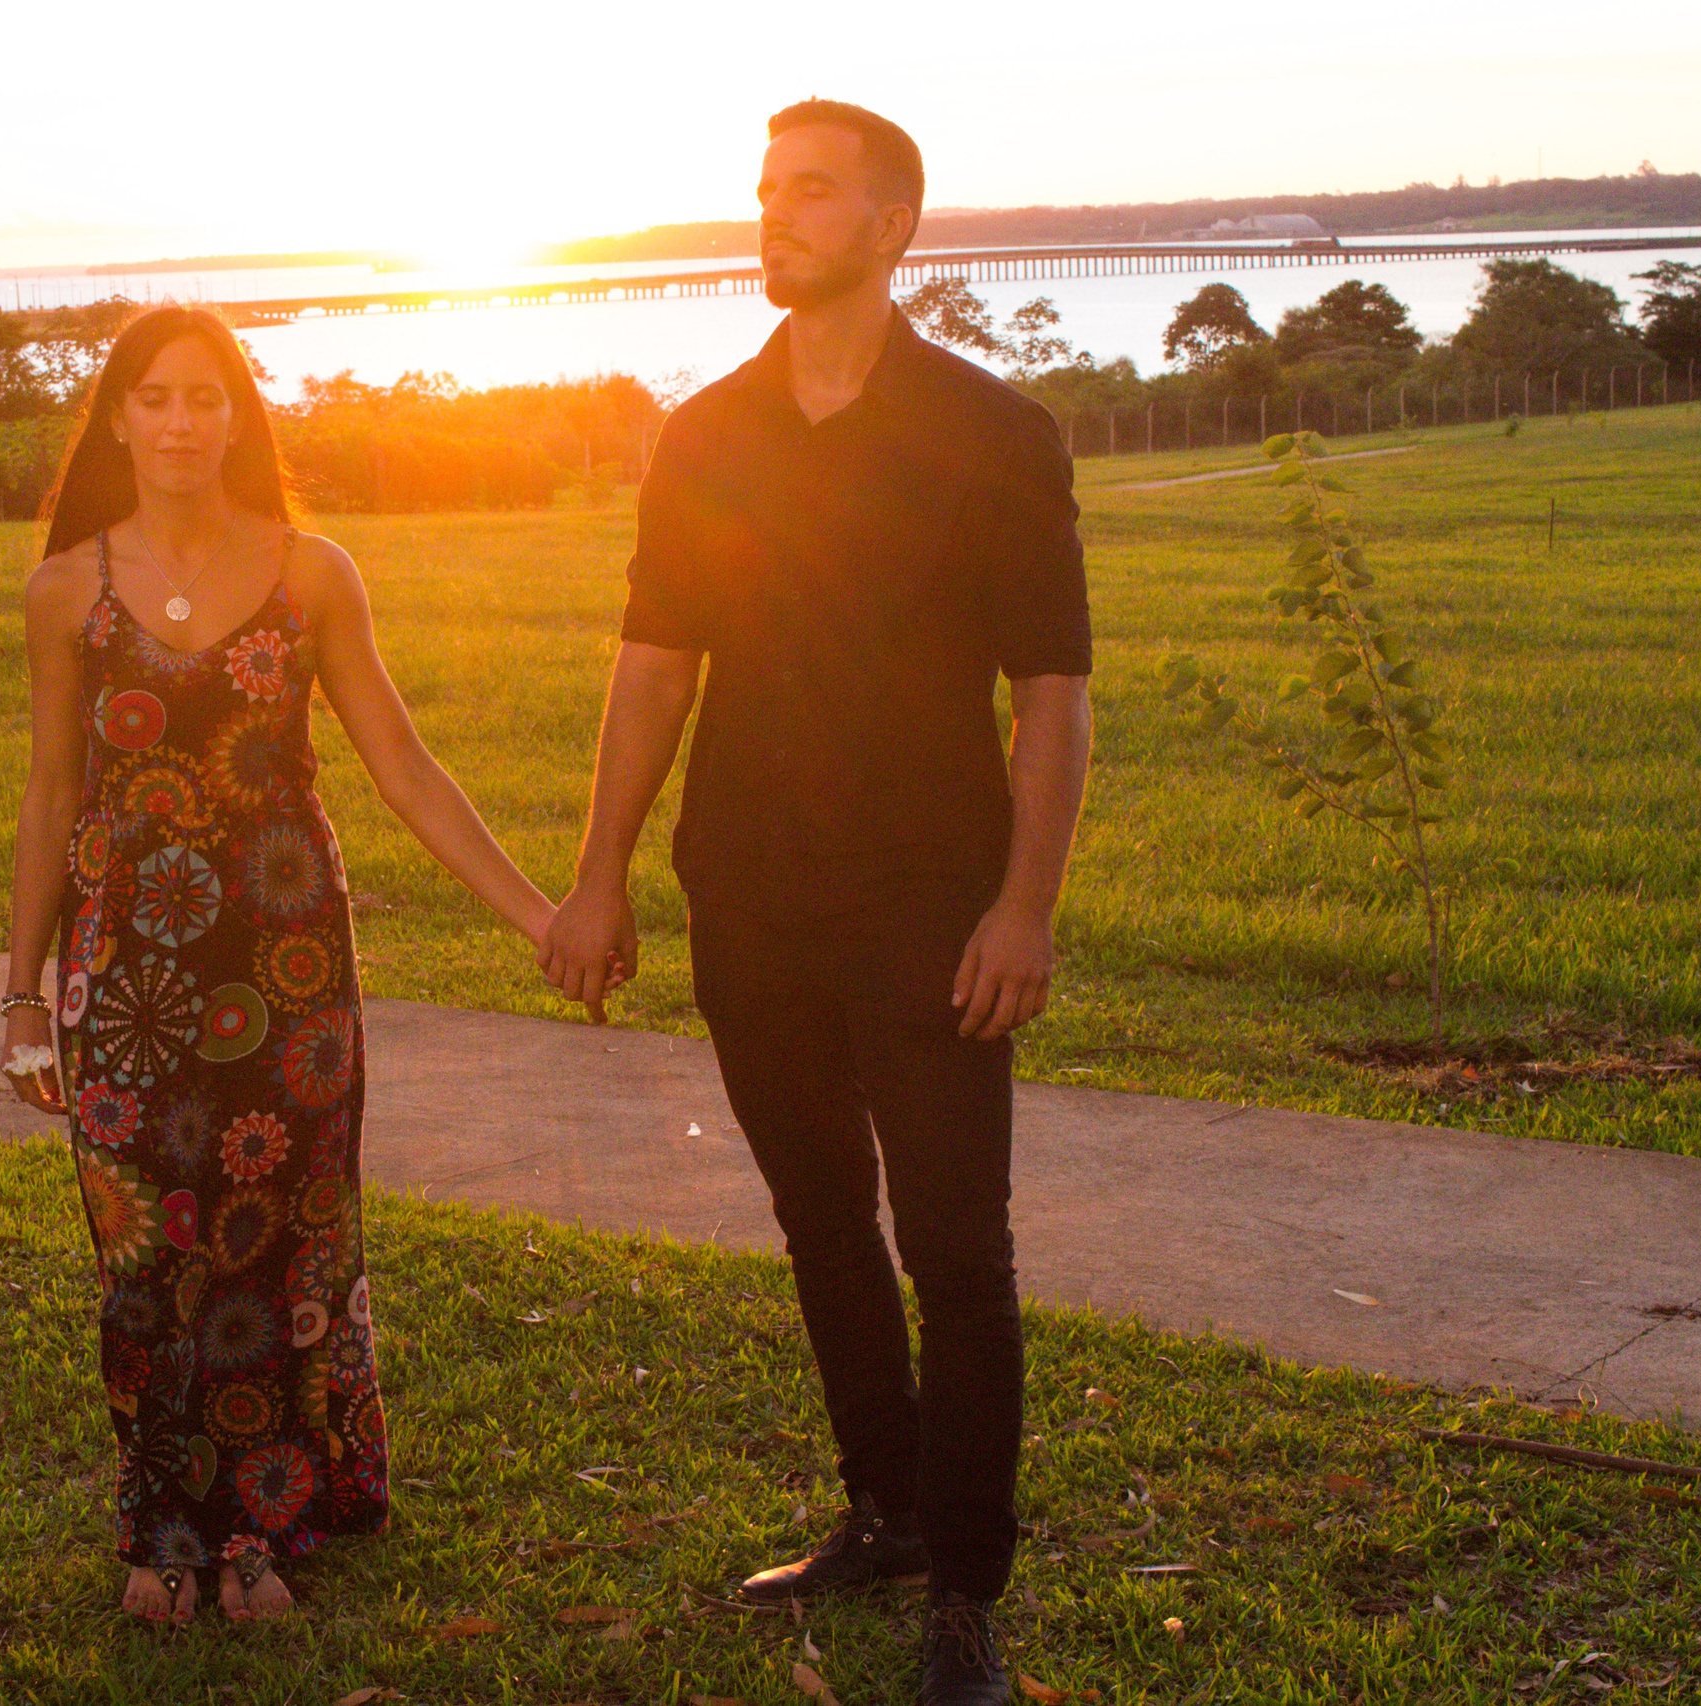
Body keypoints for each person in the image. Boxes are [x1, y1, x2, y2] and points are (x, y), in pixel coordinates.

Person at [539, 101, 1093, 1706]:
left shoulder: (996, 433)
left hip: (931, 906)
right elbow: (654, 670)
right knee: (819, 1220)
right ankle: (889, 1510)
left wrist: (1025, 906)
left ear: (893, 225)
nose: (775, 216)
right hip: (751, 897)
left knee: (956, 1246)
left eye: (812, 194)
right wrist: (601, 872)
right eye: (766, 190)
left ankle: (966, 1597)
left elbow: (1052, 695)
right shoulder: (707, 433)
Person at [0, 306, 555, 1630]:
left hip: (289, 968)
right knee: (144, 1247)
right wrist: (21, 992)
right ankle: (162, 1521)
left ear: (239, 417)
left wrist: (537, 915)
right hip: (125, 967)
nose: (186, 421)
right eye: (159, 397)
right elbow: (49, 791)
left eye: (210, 397)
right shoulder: (67, 588)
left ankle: (254, 1528)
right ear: (119, 418)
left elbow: (403, 767)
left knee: (274, 1248)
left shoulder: (312, 573)